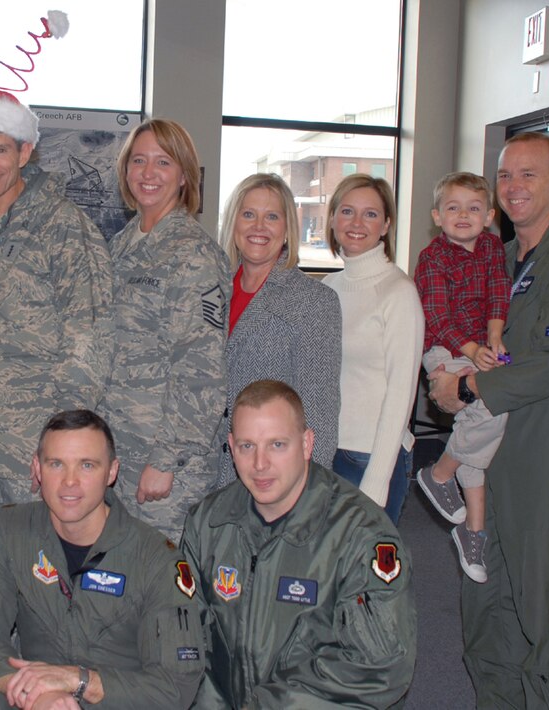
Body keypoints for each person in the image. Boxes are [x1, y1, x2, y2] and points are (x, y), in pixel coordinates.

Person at [429, 133, 549, 709]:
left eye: (528, 174)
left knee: (545, 598)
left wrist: (467, 386)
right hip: (490, 448)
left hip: (546, 443)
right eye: (505, 175)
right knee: (487, 596)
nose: (512, 187)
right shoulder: (493, 256)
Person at [0, 86, 113, 550]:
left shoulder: (63, 226)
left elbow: (88, 344)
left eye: (0, 150)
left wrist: (62, 451)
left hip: (35, 454)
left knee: (45, 579)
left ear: (25, 152)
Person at [182, 380, 416, 707]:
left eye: (277, 445)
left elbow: (379, 667)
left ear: (306, 444)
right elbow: (186, 638)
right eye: (247, 446)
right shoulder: (207, 523)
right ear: (232, 447)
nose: (260, 464)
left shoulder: (362, 537)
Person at [0, 409, 205, 710]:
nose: (69, 482)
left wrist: (79, 681)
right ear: (37, 468)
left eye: (87, 465)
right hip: (37, 699)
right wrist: (35, 692)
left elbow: (176, 686)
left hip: (117, 701)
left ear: (111, 472)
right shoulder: (9, 532)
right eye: (56, 464)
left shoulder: (155, 558)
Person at [98, 118, 230, 542]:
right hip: (117, 451)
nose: (148, 173)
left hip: (164, 462)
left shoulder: (192, 254)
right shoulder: (120, 246)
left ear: (185, 175)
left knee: (163, 574)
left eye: (163, 162)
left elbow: (201, 369)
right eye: (138, 161)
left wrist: (166, 460)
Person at [215, 173, 341, 491]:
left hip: (269, 476)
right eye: (248, 214)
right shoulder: (212, 290)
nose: (259, 227)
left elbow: (319, 412)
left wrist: (309, 496)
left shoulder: (314, 301)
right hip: (202, 474)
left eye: (271, 217)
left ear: (287, 230)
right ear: (233, 223)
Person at [413, 172, 509, 584]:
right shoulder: (432, 257)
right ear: (437, 216)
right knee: (491, 409)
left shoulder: (492, 248)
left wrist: (494, 337)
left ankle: (473, 531)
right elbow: (436, 315)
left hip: (479, 344)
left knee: (479, 425)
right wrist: (471, 351)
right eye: (453, 208)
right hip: (443, 346)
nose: (463, 215)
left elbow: (499, 291)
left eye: (473, 208)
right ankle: (438, 474)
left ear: (489, 216)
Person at [322, 174, 424, 524]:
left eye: (370, 214)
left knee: (367, 558)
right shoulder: (328, 286)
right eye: (347, 211)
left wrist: (377, 481)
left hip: (372, 457)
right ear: (332, 218)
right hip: (326, 450)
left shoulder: (398, 292)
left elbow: (402, 392)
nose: (356, 223)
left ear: (386, 225)